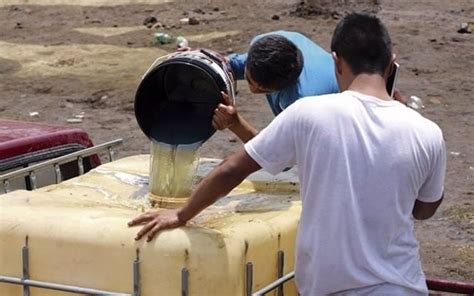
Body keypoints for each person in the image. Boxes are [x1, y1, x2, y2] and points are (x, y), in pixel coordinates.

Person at [129, 13, 446, 295]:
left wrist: (181, 214)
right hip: (403, 284)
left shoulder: (308, 111)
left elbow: (232, 169)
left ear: (336, 61)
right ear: (392, 63)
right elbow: (423, 210)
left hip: (330, 285)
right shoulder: (428, 132)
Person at [212, 30, 340, 143]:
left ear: (282, 89)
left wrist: (236, 123)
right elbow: (229, 66)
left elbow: (280, 156)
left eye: (263, 90)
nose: (254, 91)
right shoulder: (265, 47)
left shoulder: (300, 103)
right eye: (249, 80)